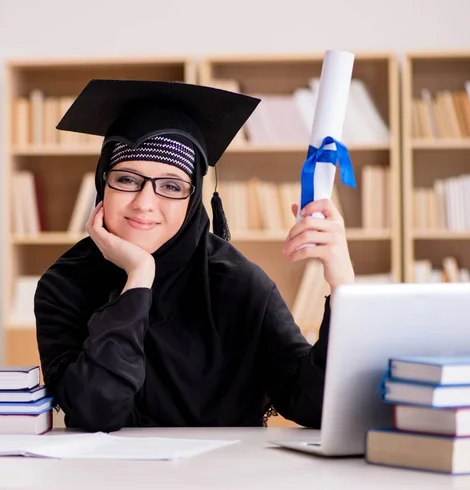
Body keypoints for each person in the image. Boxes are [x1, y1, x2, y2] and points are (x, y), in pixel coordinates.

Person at [34, 79, 355, 432]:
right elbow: (94, 412)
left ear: (193, 198)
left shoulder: (236, 283)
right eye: (126, 179)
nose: (144, 203)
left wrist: (342, 286)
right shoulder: (65, 285)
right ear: (102, 183)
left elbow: (316, 407)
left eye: (171, 186)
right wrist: (139, 278)